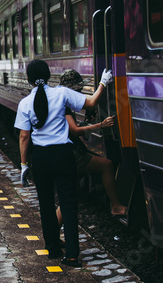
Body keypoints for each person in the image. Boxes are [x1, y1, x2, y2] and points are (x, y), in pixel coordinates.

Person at [14, 59, 113, 268]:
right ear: (49, 75)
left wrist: (24, 165)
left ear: (29, 79)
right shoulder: (61, 93)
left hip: (40, 158)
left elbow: (24, 137)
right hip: (63, 155)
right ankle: (72, 256)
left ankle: (52, 249)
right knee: (68, 205)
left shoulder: (24, 103)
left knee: (46, 205)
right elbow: (92, 103)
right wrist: (103, 82)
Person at [55, 69, 127, 221]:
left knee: (67, 197)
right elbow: (74, 130)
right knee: (106, 165)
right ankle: (116, 206)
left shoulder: (57, 99)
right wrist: (101, 125)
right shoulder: (64, 103)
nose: (80, 91)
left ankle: (53, 236)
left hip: (63, 153)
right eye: (78, 88)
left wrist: (85, 124)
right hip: (72, 154)